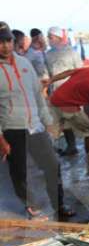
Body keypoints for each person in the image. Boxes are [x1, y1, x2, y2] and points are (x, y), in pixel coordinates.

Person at [0, 22, 74, 220]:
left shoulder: (24, 64)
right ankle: (30, 207)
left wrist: (48, 121)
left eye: (7, 41)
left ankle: (59, 203)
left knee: (52, 165)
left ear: (12, 41)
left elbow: (37, 95)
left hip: (36, 126)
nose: (5, 46)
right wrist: (1, 139)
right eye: (0, 42)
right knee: (19, 172)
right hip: (12, 128)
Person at [44, 66, 89, 172]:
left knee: (60, 130)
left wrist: (50, 80)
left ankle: (69, 149)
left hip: (54, 99)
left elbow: (68, 72)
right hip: (67, 105)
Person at [45, 26, 84, 156]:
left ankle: (78, 146)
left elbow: (80, 71)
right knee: (62, 121)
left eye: (50, 37)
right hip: (55, 93)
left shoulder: (72, 53)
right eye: (48, 37)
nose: (48, 40)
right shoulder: (48, 54)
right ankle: (70, 146)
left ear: (58, 38)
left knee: (73, 120)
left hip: (70, 93)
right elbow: (47, 75)